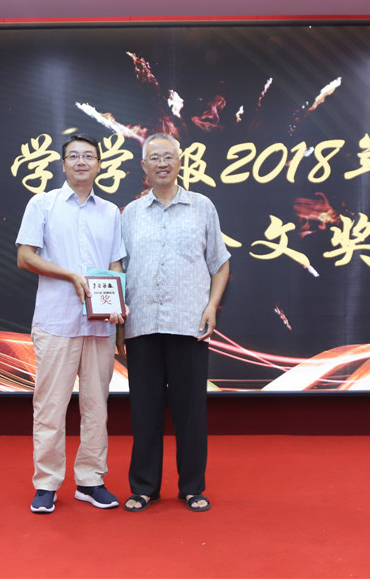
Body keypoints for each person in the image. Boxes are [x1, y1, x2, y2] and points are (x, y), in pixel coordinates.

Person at [119, 132, 231, 513]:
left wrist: (212, 305)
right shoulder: (131, 214)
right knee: (144, 410)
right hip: (142, 325)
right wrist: (119, 321)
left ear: (180, 162)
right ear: (144, 166)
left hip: (189, 325)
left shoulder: (202, 207)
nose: (162, 164)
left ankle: (192, 487)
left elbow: (220, 263)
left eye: (168, 157)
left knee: (191, 412)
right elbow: (119, 269)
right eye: (155, 158)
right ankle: (144, 487)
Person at [16, 134, 127, 514]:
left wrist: (116, 306)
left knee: (97, 407)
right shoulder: (42, 204)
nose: (81, 162)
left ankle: (90, 480)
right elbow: (25, 257)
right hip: (56, 321)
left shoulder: (110, 212)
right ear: (63, 164)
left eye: (89, 156)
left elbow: (115, 265)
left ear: (99, 165)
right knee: (50, 406)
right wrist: (69, 275)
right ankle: (46, 483)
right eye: (74, 156)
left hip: (99, 326)